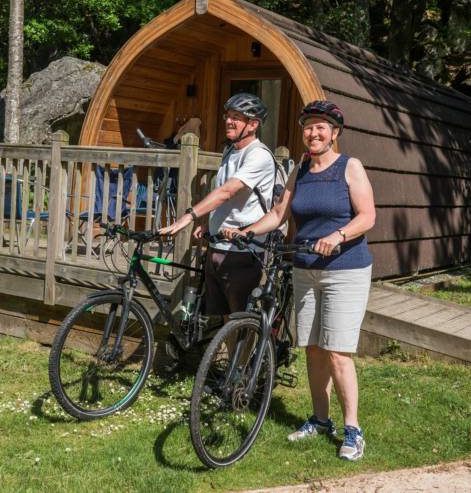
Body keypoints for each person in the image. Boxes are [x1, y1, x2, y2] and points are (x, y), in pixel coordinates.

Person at [222, 100, 375, 461]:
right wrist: (245, 231)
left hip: (345, 269)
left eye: (322, 127)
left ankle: (352, 429)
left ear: (334, 133)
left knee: (337, 351)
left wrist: (338, 236)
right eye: (309, 126)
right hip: (305, 267)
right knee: (314, 348)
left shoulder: (349, 167)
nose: (314, 132)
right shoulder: (300, 169)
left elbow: (367, 216)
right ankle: (321, 420)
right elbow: (278, 215)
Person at [158, 93, 276, 321]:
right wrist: (205, 222)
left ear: (253, 125)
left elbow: (227, 191)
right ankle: (221, 356)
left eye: (237, 117)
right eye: (228, 116)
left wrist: (189, 216)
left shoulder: (258, 155)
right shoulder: (230, 151)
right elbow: (219, 190)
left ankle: (243, 358)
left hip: (242, 251)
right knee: (221, 315)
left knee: (239, 319)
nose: (229, 121)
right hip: (218, 245)